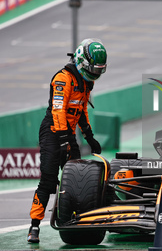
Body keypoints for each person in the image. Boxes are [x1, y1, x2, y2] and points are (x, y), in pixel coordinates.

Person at [27, 38, 107, 243]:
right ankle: (34, 227)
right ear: (82, 61)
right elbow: (58, 110)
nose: (96, 75)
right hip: (53, 132)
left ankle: (76, 218)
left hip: (68, 134)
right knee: (48, 180)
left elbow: (80, 110)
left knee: (78, 176)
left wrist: (89, 136)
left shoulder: (86, 82)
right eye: (94, 70)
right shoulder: (63, 79)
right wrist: (64, 140)